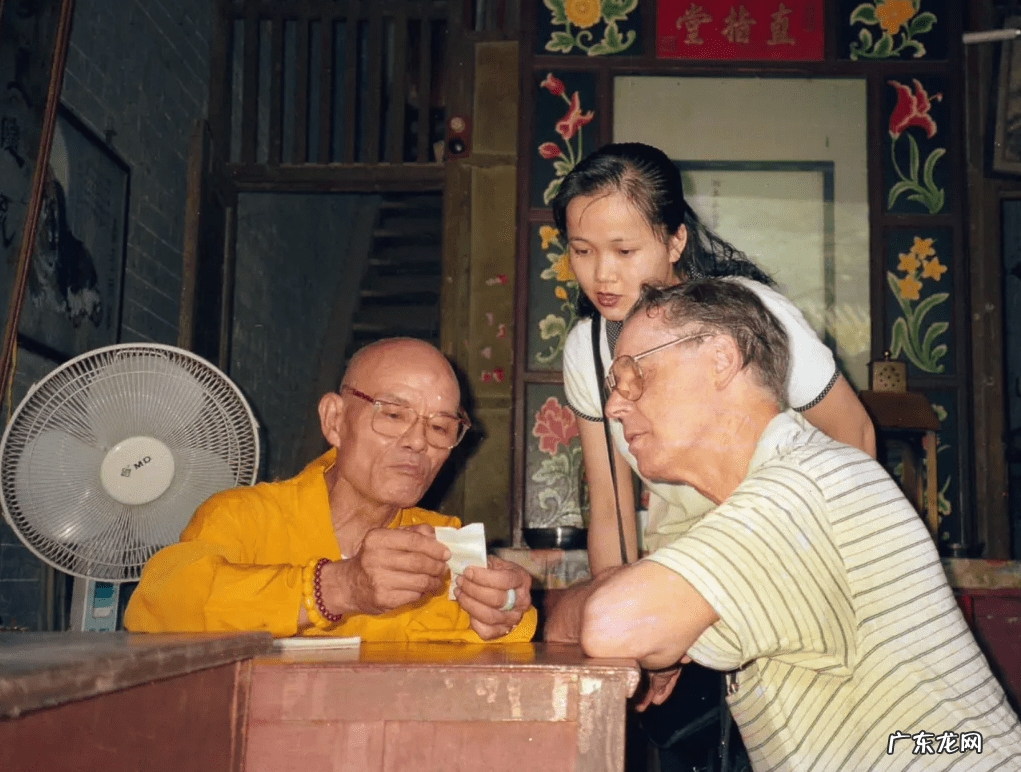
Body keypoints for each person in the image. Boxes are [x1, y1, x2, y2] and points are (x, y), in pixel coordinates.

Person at [571, 279, 1021, 771]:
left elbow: (611, 625)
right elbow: (619, 624)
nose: (614, 406)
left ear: (720, 358)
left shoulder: (807, 485)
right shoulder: (765, 504)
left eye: (634, 374)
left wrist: (629, 613)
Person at [551, 142, 876, 571]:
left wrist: (851, 561)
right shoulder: (588, 350)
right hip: (687, 555)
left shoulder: (752, 312)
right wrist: (611, 594)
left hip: (791, 540)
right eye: (582, 251)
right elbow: (611, 508)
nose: (602, 274)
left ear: (675, 241)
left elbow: (854, 431)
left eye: (624, 251)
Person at [125, 337, 536, 643]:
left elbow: (504, 634)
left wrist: (506, 607)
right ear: (334, 420)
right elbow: (156, 608)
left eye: (441, 427)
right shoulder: (244, 518)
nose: (418, 442)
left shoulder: (440, 544)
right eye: (394, 415)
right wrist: (338, 588)